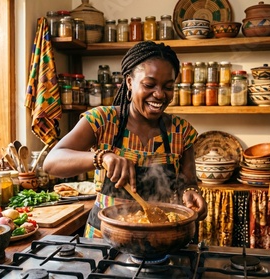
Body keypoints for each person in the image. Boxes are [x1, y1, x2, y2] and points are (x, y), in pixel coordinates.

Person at [43, 41, 207, 238]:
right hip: (103, 238)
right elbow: (52, 162)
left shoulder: (181, 132)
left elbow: (187, 183)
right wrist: (103, 157)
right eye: (149, 85)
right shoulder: (102, 121)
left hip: (160, 237)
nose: (159, 94)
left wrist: (191, 193)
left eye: (168, 87)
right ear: (129, 82)